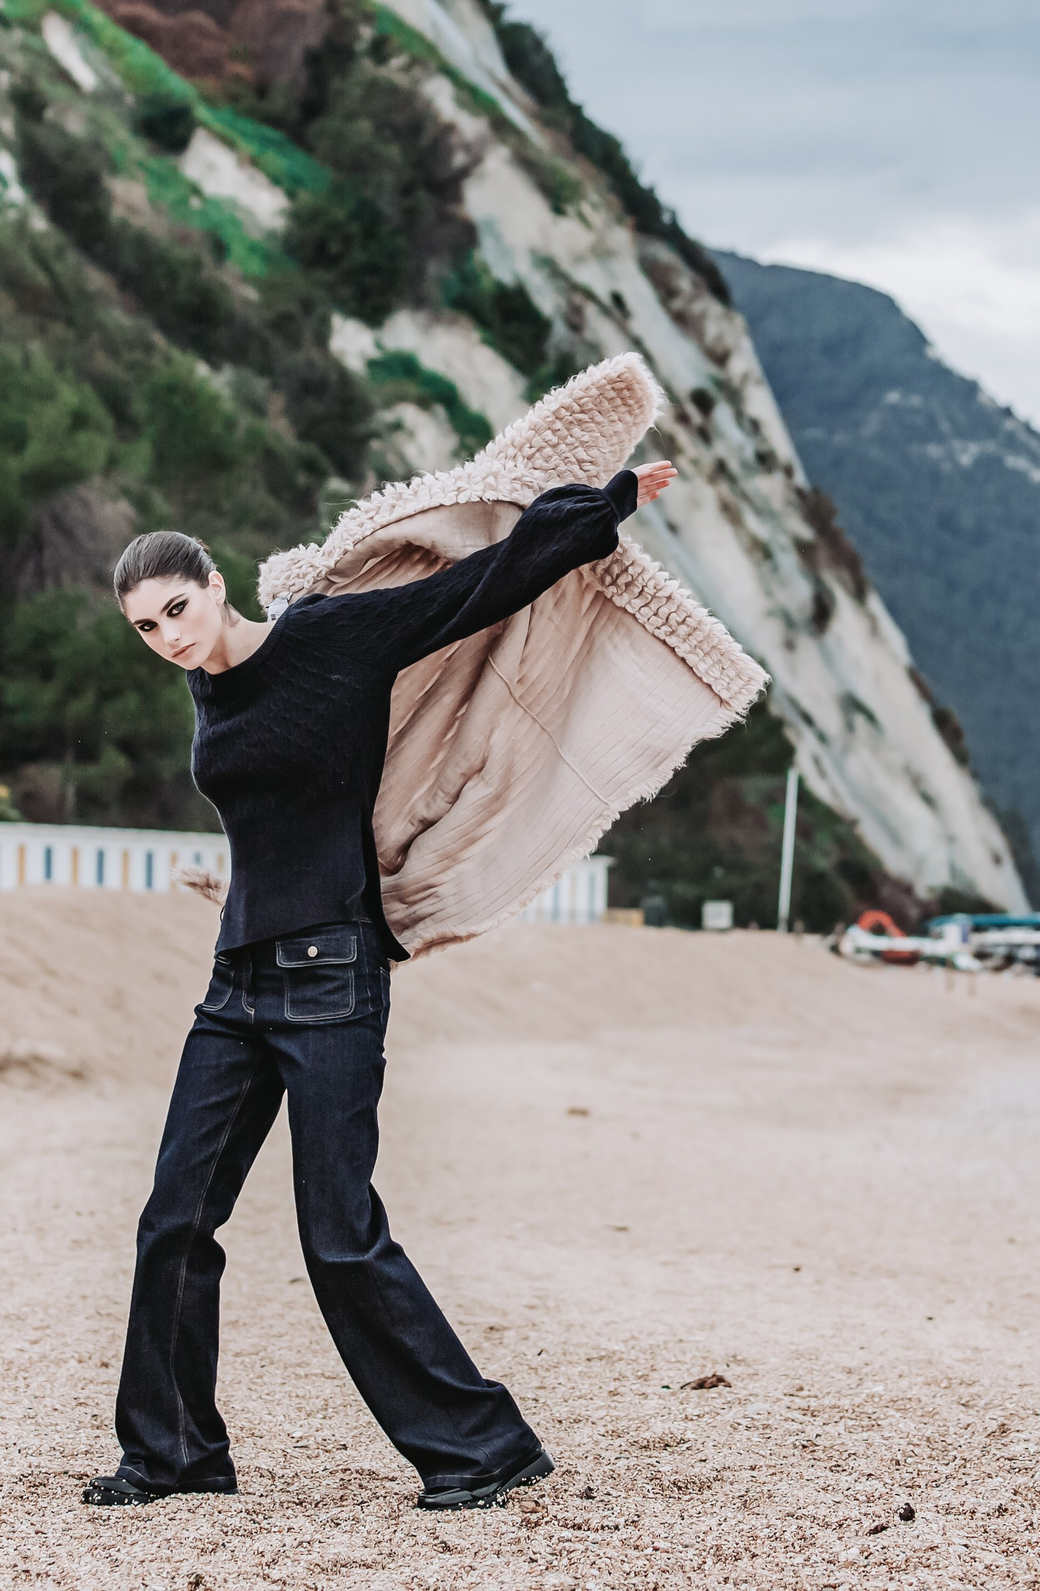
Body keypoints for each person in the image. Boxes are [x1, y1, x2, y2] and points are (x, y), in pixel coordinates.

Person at [80, 459, 677, 1512]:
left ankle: (481, 1445)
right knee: (173, 1216)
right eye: (146, 626)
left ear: (216, 584)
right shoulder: (203, 685)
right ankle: (173, 1453)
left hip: (332, 975)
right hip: (237, 982)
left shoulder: (325, 638)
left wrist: (608, 501)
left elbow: (477, 586)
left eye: (177, 608)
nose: (169, 635)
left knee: (337, 1229)